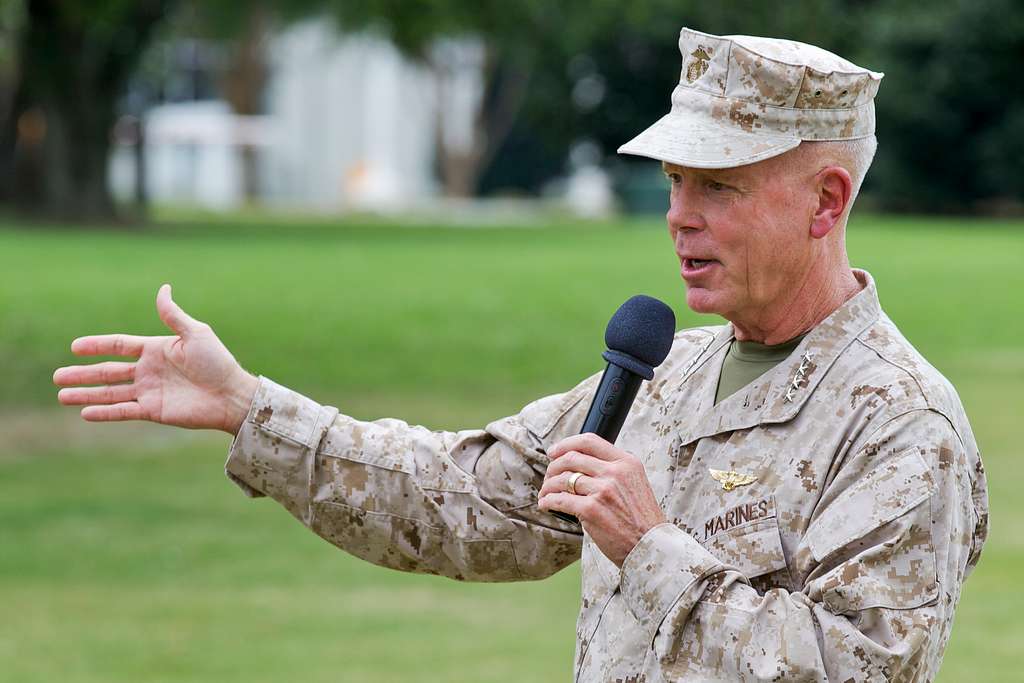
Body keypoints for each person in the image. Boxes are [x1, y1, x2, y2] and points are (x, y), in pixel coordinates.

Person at [54, 27, 988, 681]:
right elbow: (461, 498)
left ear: (826, 202)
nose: (678, 216)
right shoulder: (667, 373)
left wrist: (650, 547)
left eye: (720, 187)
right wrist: (252, 408)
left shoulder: (903, 424)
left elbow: (854, 673)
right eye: (672, 181)